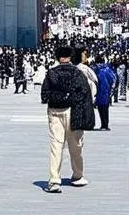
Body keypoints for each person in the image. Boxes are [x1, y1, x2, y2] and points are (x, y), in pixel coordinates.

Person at [40, 43, 95, 192]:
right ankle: (77, 175)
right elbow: (84, 94)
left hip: (54, 112)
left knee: (56, 146)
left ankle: (54, 180)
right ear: (70, 58)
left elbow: (44, 96)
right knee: (75, 146)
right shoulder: (77, 73)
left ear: (58, 58)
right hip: (73, 112)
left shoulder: (51, 73)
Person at [93, 56, 116, 131]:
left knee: (100, 108)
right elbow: (113, 79)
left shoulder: (95, 70)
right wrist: (111, 88)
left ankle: (103, 124)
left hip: (98, 91)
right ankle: (105, 124)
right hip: (106, 91)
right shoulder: (107, 69)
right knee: (105, 108)